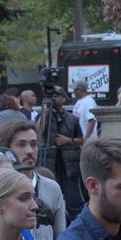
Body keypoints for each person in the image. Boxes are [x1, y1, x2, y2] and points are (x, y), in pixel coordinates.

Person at [0, 118, 67, 240]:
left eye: (33, 144)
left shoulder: (52, 187)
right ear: (8, 149)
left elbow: (60, 236)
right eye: (21, 144)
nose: (30, 151)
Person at [38, 85, 86, 221]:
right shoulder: (45, 117)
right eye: (52, 95)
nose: (54, 98)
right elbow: (39, 133)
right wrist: (45, 113)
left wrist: (68, 140)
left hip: (69, 164)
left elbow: (80, 139)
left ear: (64, 99)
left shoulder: (72, 119)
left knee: (73, 197)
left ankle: (76, 222)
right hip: (51, 162)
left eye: (57, 95)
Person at [70, 78, 99, 142]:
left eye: (74, 89)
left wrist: (85, 139)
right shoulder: (79, 101)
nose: (73, 91)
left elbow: (92, 121)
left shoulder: (89, 102)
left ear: (79, 89)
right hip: (79, 140)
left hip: (89, 142)